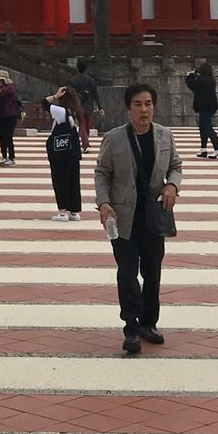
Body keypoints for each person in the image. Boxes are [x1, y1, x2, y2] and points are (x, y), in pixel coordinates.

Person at [94, 83, 182, 356]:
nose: (144, 110)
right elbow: (102, 173)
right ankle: (130, 328)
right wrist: (104, 203)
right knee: (128, 274)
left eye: (148, 104)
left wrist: (172, 186)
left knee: (153, 272)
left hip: (154, 218)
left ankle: (148, 324)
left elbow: (175, 167)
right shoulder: (114, 137)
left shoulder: (164, 135)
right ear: (128, 108)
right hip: (124, 217)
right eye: (138, 105)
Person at [44, 84, 84, 220]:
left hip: (60, 153)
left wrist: (55, 96)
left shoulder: (61, 111)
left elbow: (43, 103)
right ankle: (74, 211)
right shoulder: (75, 111)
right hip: (73, 152)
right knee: (73, 181)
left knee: (60, 181)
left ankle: (62, 211)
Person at [185, 61, 218, 159]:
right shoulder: (210, 80)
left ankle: (217, 149)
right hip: (210, 106)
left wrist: (190, 76)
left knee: (207, 128)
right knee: (203, 128)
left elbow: (191, 85)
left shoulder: (202, 81)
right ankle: (203, 149)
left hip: (205, 106)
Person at [66, 57, 101, 149]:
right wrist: (100, 107)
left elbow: (70, 94)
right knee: (87, 125)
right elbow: (95, 94)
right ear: (86, 68)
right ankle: (85, 143)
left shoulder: (72, 81)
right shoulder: (91, 80)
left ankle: (85, 143)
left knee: (82, 124)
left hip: (78, 105)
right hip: (89, 105)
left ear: (77, 67)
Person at [0, 70, 21, 166]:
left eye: (0, 80)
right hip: (2, 116)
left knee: (8, 137)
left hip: (10, 116)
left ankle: (11, 158)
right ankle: (4, 157)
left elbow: (8, 90)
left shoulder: (10, 88)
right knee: (2, 137)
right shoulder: (1, 90)